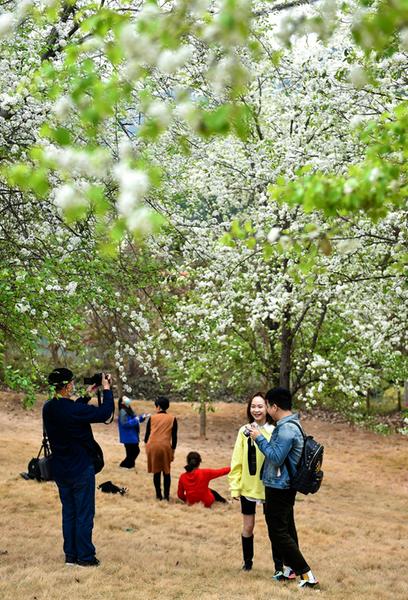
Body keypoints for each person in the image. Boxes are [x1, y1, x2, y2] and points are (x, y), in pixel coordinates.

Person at [248, 387, 319, 589]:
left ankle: (307, 574)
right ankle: (290, 570)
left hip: (280, 486)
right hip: (281, 484)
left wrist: (258, 437)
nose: (266, 409)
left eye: (267, 405)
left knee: (278, 532)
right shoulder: (290, 424)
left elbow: (276, 457)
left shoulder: (287, 429)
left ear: (274, 406)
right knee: (287, 528)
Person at [42, 368, 114, 567]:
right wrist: (106, 389)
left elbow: (72, 412)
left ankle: (71, 556)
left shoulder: (48, 408)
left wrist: (88, 393)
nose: (73, 385)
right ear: (66, 387)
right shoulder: (73, 410)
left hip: (61, 469)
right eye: (71, 383)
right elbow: (105, 413)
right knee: (84, 513)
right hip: (80, 467)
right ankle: (85, 557)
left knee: (69, 512)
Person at [229, 392, 291, 577]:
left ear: (269, 408)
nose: (256, 410)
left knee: (275, 529)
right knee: (248, 526)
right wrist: (235, 486)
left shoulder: (276, 431)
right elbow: (237, 460)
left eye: (260, 406)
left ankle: (278, 567)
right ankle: (247, 563)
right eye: (253, 406)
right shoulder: (244, 431)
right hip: (248, 487)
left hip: (270, 487)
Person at [144, 396, 177, 501]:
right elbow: (174, 437)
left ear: (158, 406)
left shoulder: (152, 418)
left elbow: (146, 436)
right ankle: (166, 496)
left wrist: (147, 445)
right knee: (166, 472)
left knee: (156, 471)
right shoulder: (172, 419)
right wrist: (172, 450)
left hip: (152, 445)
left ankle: (158, 495)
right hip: (165, 446)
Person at [117, 396, 149, 469]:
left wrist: (142, 418)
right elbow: (124, 423)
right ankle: (125, 465)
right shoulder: (123, 411)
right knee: (134, 451)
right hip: (128, 435)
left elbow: (135, 420)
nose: (127, 399)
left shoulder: (128, 410)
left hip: (133, 434)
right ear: (122, 402)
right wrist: (136, 420)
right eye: (125, 398)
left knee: (132, 452)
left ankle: (128, 465)